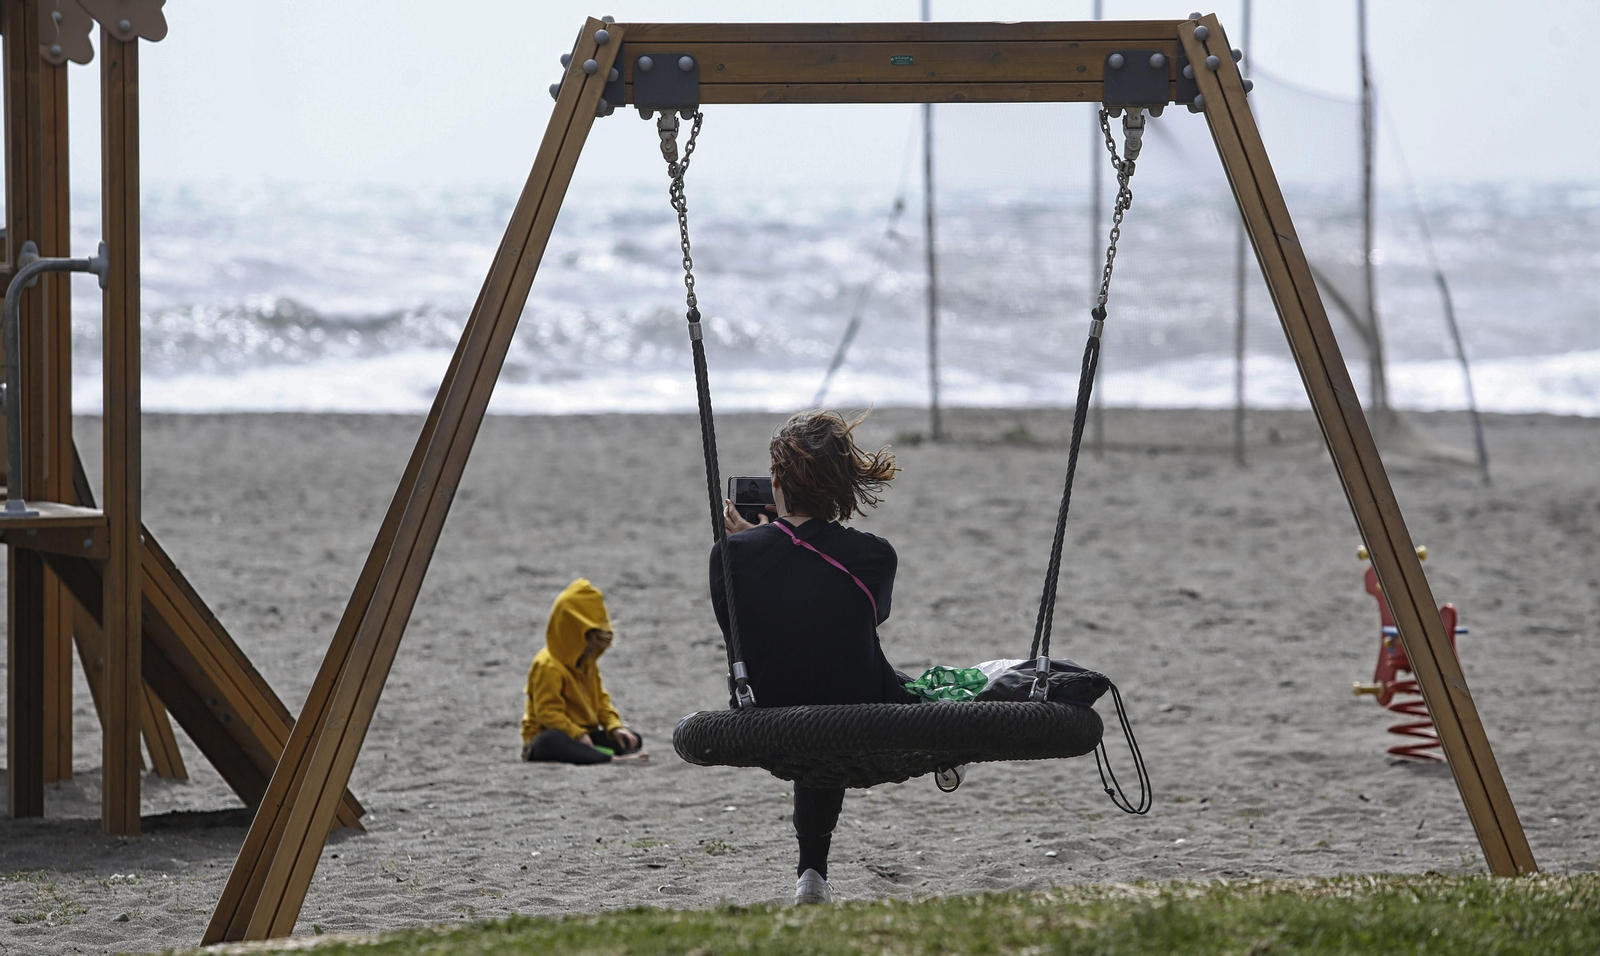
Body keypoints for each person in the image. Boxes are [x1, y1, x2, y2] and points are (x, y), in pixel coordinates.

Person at [711, 409, 912, 905]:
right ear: (842, 485)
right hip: (854, 704)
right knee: (856, 679)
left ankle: (811, 878)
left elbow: (741, 627)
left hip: (766, 704)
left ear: (776, 481)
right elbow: (864, 619)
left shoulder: (729, 555)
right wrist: (785, 540)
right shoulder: (875, 556)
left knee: (811, 684)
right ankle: (812, 874)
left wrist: (756, 541)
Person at [520, 578, 647, 765]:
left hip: (585, 734)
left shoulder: (587, 664)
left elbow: (601, 702)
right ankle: (613, 759)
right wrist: (577, 735)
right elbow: (547, 712)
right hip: (549, 737)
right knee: (551, 741)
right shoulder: (547, 664)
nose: (591, 649)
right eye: (589, 641)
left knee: (631, 739)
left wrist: (614, 727)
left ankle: (599, 752)